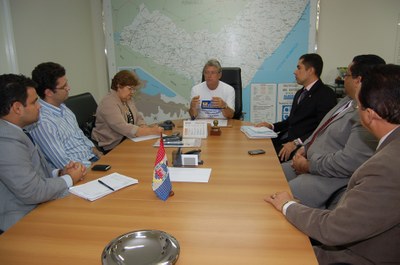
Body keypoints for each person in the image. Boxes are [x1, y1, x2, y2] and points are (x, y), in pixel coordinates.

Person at [265, 64, 400, 265]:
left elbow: (334, 229)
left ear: (370, 115)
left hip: (357, 256)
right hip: (357, 238)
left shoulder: (386, 167)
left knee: (272, 251)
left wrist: (288, 205)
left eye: (358, 106)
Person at [281, 54, 386, 209]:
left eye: (347, 75)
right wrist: (305, 147)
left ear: (359, 79)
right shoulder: (347, 101)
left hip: (328, 178)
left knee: (281, 193)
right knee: (272, 173)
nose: (343, 79)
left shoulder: (368, 114)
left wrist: (309, 165)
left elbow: (348, 162)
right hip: (310, 163)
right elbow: (320, 129)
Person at [0, 74, 86, 233]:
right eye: (34, 102)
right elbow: (32, 191)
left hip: (39, 206)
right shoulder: (5, 139)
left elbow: (34, 172)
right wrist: (69, 179)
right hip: (21, 220)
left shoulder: (17, 131)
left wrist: (60, 172)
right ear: (17, 108)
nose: (39, 106)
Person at [256, 53, 337, 162]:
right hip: (285, 139)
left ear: (310, 70)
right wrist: (271, 126)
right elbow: (291, 121)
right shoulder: (300, 93)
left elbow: (322, 129)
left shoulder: (326, 94)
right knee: (257, 147)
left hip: (301, 146)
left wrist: (296, 142)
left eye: (299, 68)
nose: (295, 71)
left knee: (265, 161)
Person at [29, 62, 103, 169]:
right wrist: (94, 166)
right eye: (64, 87)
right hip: (78, 171)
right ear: (49, 92)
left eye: (67, 83)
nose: (69, 88)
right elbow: (64, 164)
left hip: (92, 160)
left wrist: (97, 153)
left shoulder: (64, 108)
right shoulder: (43, 122)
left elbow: (80, 136)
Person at [91, 70, 163, 152]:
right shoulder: (108, 103)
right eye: (130, 89)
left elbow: (138, 118)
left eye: (133, 89)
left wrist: (143, 126)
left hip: (127, 140)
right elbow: (123, 127)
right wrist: (150, 131)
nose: (132, 92)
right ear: (119, 86)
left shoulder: (127, 99)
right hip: (111, 146)